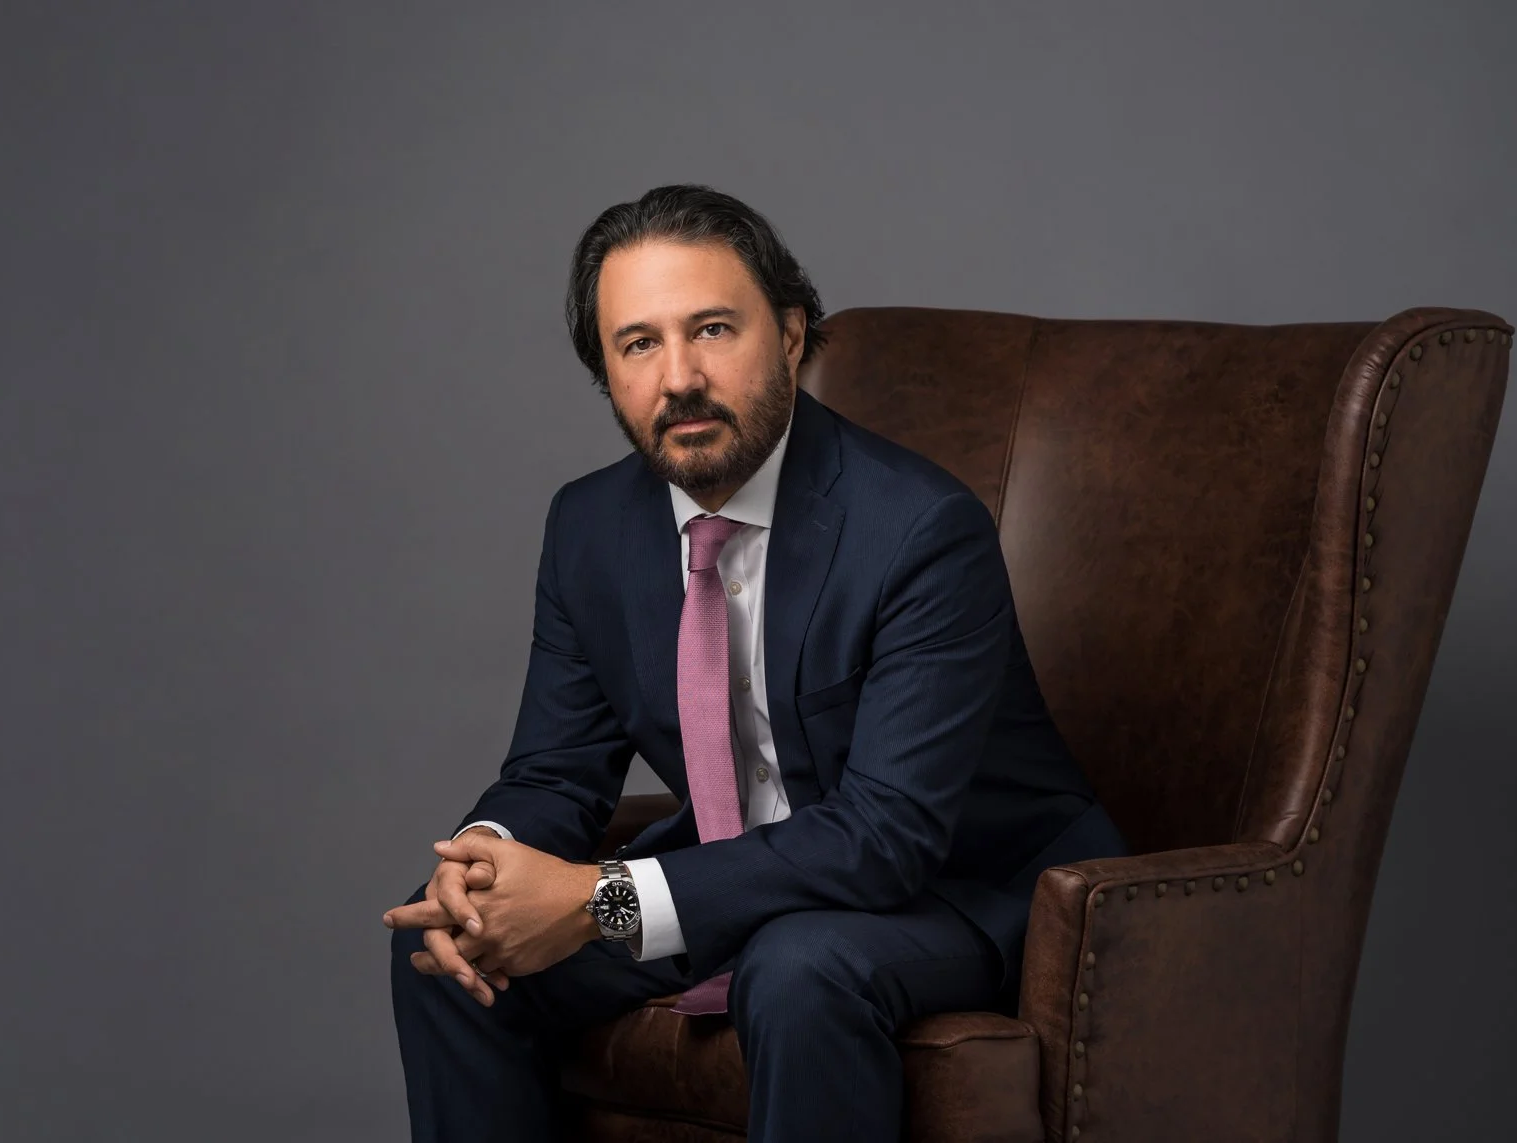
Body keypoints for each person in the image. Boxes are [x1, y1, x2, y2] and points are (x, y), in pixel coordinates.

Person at [385, 184, 1128, 1142]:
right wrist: (479, 865)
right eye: (639, 344)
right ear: (606, 373)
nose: (679, 378)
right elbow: (553, 770)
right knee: (452, 952)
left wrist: (601, 899)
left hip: (959, 880)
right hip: (749, 875)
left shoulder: (918, 529)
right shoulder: (589, 527)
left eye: (713, 329)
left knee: (800, 966)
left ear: (789, 333)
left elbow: (885, 835)